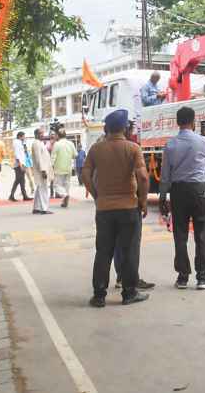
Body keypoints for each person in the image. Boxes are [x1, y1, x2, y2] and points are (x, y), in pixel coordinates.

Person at [82, 110, 150, 307]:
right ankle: (129, 293)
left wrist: (96, 195)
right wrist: (143, 201)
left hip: (104, 209)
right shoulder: (133, 148)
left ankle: (99, 295)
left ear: (106, 129)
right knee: (129, 251)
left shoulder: (96, 149)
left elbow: (85, 174)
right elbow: (144, 177)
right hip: (129, 208)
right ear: (125, 128)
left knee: (103, 251)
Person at [158, 106, 205, 290]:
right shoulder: (202, 141)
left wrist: (163, 196)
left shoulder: (170, 145)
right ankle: (203, 276)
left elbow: (165, 174)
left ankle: (182, 277)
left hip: (178, 191)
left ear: (178, 123)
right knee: (202, 231)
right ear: (193, 122)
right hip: (199, 191)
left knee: (180, 234)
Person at [51, 131, 77, 208]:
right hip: (68, 167)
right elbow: (75, 155)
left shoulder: (57, 144)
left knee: (56, 185)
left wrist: (50, 167)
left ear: (58, 136)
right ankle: (65, 202)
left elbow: (53, 157)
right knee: (66, 185)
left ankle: (65, 195)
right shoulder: (71, 143)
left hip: (59, 168)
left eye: (55, 135)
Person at [30, 129, 53, 215]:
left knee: (40, 189)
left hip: (43, 169)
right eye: (40, 133)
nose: (42, 135)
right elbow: (38, 158)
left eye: (43, 133)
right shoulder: (36, 143)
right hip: (41, 171)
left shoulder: (39, 143)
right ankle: (44, 209)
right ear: (36, 134)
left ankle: (36, 208)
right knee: (44, 189)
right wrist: (43, 170)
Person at [9, 132, 32, 201]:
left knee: (22, 180)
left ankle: (24, 195)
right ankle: (11, 195)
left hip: (22, 163)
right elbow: (17, 154)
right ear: (20, 136)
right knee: (18, 180)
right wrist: (20, 164)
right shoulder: (16, 143)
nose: (24, 138)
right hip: (19, 164)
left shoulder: (21, 143)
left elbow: (23, 153)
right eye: (23, 136)